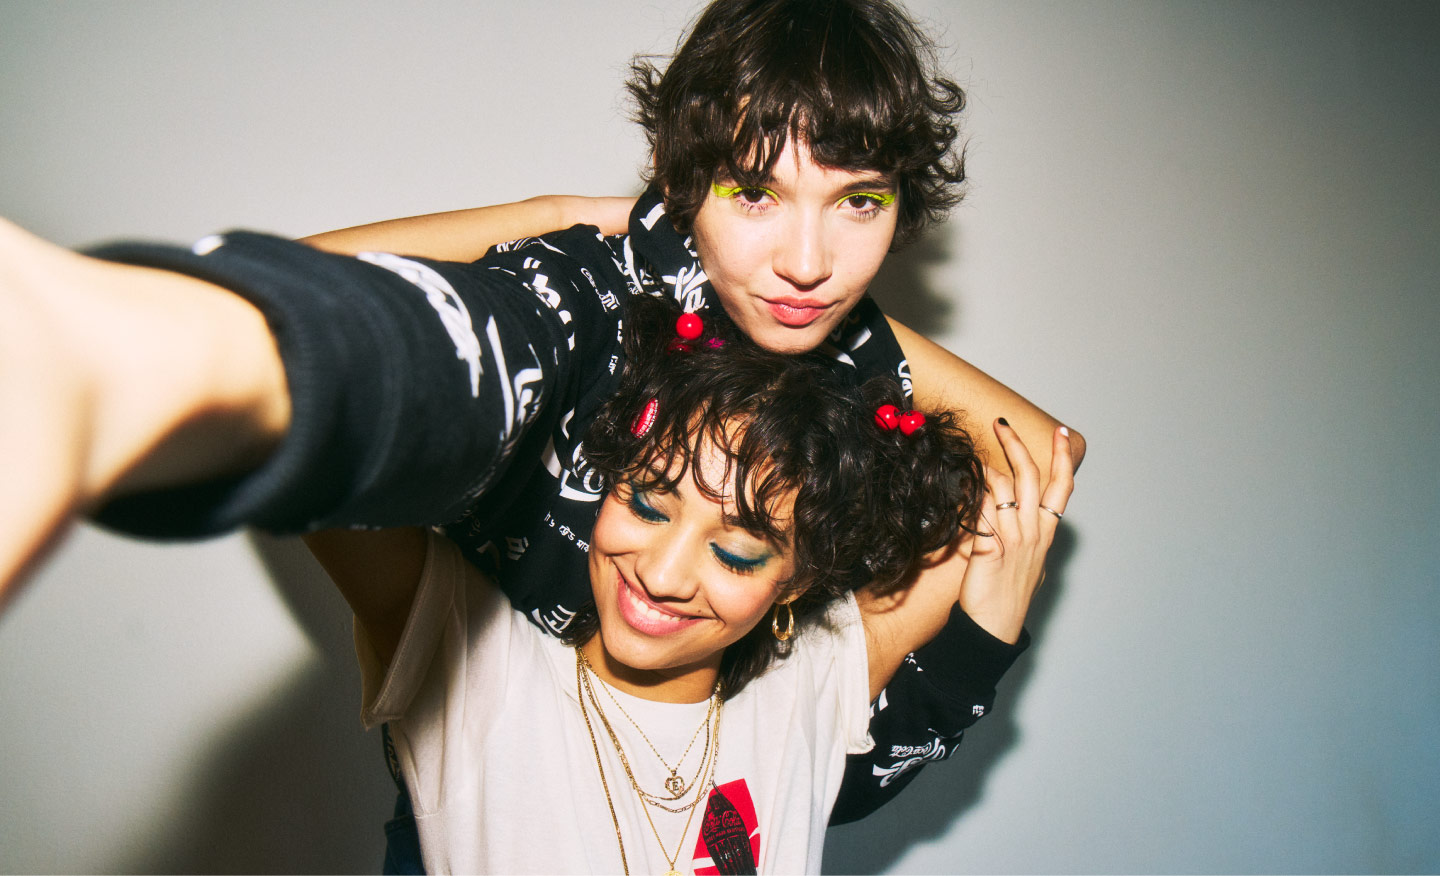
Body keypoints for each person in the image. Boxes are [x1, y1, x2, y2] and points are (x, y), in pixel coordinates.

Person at [0, 0, 1081, 838]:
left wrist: (855, 332)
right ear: (681, 179)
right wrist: (539, 220)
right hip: (496, 751)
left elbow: (1044, 452)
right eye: (754, 192)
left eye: (860, 202)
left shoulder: (838, 370)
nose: (808, 260)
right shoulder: (595, 290)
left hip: (706, 752)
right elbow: (371, 316)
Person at [302, 293, 1073, 873]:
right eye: (645, 502)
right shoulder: (471, 659)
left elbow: (1038, 450)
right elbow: (299, 349)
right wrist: (590, 230)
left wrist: (809, 304)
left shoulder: (807, 686)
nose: (663, 576)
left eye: (737, 554)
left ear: (798, 581)